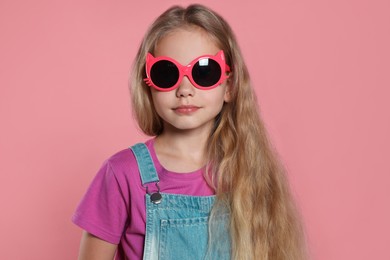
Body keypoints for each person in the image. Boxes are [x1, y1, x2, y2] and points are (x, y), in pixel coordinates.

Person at [73, 4, 306, 260]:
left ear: (229, 86)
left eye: (203, 72)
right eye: (166, 73)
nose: (185, 89)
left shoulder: (248, 170)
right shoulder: (122, 174)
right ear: (148, 85)